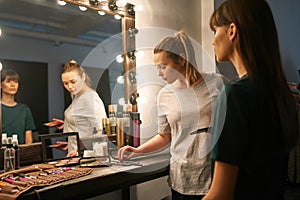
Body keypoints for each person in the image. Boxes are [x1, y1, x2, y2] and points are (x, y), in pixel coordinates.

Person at [203, 0, 299, 200]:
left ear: (231, 30)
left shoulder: (235, 95)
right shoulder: (281, 93)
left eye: (215, 31)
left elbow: (220, 195)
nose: (212, 40)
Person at [118, 31, 226, 199]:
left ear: (181, 59)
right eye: (156, 68)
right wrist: (138, 150)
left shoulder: (217, 83)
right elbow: (165, 136)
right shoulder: (165, 95)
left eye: (162, 67)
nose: (159, 73)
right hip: (181, 177)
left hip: (213, 176)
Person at [52, 60, 107, 157]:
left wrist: (80, 149)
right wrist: (67, 124)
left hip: (85, 157)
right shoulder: (76, 96)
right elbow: (84, 124)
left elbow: (101, 132)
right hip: (74, 154)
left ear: (83, 77)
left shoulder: (91, 98)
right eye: (65, 83)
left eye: (73, 81)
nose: (70, 86)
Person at [1, 68, 36, 144]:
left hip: (21, 153)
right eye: (8, 81)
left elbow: (29, 140)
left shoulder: (24, 109)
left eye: (16, 82)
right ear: (0, 85)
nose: (13, 85)